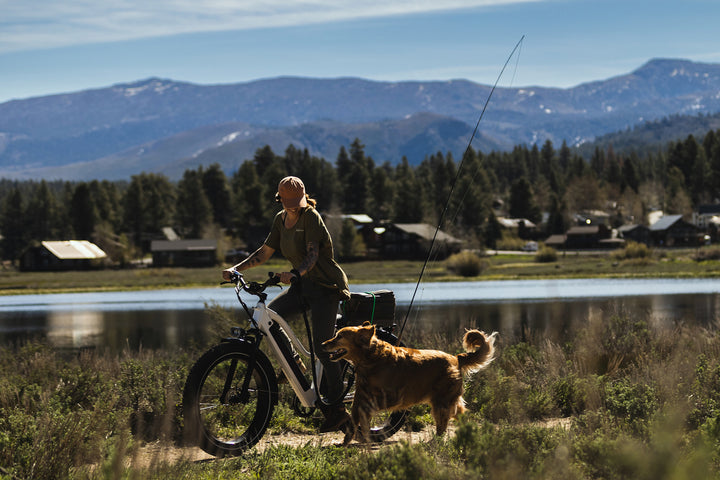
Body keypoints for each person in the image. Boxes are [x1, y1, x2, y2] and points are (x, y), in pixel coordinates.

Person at [223, 175, 351, 432]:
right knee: (270, 317)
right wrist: (236, 268)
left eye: (296, 201)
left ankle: (338, 409)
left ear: (303, 198)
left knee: (322, 346)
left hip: (326, 288)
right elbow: (264, 252)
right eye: (288, 202)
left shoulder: (311, 217)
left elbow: (313, 255)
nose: (293, 206)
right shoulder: (280, 220)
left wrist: (295, 273)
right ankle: (295, 363)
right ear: (279, 199)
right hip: (303, 287)